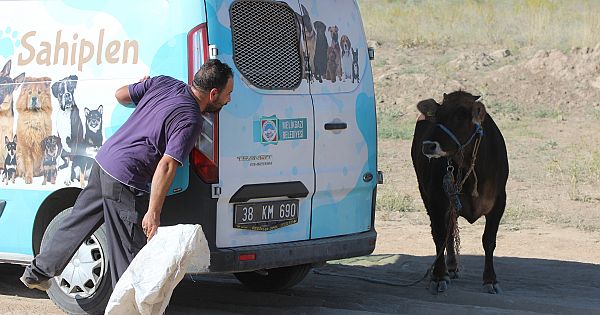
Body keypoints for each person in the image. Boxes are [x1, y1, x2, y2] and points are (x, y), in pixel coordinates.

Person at [20, 59, 234, 291]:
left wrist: (144, 89)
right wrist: (153, 212)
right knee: (130, 257)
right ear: (213, 93)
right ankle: (129, 307)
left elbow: (120, 95)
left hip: (105, 161)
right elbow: (167, 166)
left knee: (77, 222)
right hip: (127, 177)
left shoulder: (164, 83)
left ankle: (37, 273)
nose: (229, 99)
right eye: (228, 94)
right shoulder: (191, 119)